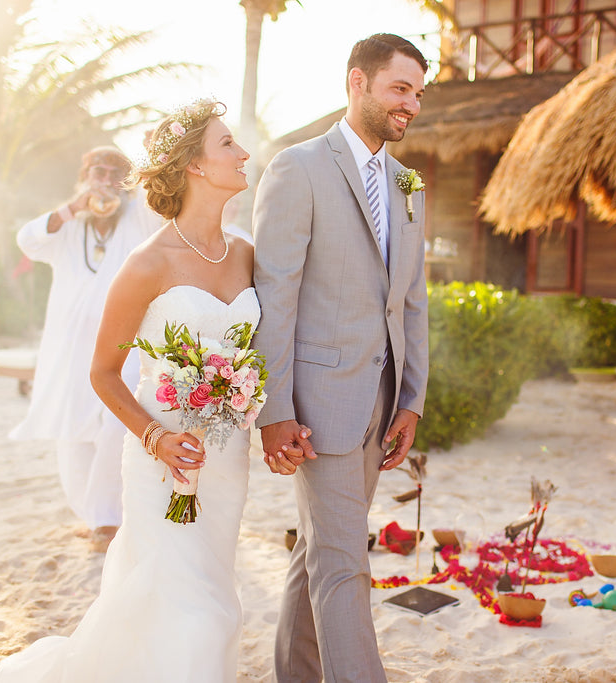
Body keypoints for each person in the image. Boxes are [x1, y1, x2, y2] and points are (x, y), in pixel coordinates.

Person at [0, 99, 255, 682]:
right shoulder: (147, 262)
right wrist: (155, 435)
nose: (244, 153)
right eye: (228, 143)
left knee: (207, 594)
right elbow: (103, 372)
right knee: (199, 615)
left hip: (229, 457)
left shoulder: (250, 255)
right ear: (196, 167)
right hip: (163, 460)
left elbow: (263, 350)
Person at [252, 33, 430, 683]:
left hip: (380, 409)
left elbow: (412, 298)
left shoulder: (408, 182)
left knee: (320, 554)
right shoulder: (297, 168)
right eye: (399, 88)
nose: (411, 104)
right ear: (358, 83)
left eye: (418, 93)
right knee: (343, 559)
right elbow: (276, 295)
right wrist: (274, 410)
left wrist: (412, 397)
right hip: (318, 407)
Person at [11, 146, 159, 552]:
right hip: (68, 348)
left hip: (124, 347)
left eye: (115, 172)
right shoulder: (70, 224)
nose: (105, 178)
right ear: (84, 175)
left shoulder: (136, 217)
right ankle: (93, 515)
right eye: (98, 170)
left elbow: (153, 202)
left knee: (115, 424)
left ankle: (109, 520)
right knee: (72, 429)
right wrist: (72, 208)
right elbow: (27, 241)